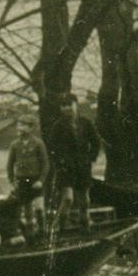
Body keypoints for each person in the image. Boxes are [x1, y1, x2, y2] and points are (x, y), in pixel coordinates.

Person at [49, 93, 100, 231]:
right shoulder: (57, 126)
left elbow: (96, 142)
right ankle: (61, 227)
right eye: (63, 106)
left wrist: (91, 157)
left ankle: (85, 224)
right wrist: (61, 163)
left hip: (83, 166)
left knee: (85, 200)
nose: (66, 109)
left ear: (75, 105)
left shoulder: (85, 123)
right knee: (68, 199)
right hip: (66, 168)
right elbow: (53, 149)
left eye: (69, 105)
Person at [7, 114, 49, 236]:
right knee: (27, 211)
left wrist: (41, 180)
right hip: (21, 180)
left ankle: (42, 231)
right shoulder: (14, 145)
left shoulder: (38, 143)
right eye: (19, 125)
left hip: (36, 180)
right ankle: (30, 237)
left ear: (31, 128)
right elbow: (10, 165)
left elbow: (46, 164)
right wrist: (12, 181)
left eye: (23, 125)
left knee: (40, 209)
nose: (19, 128)